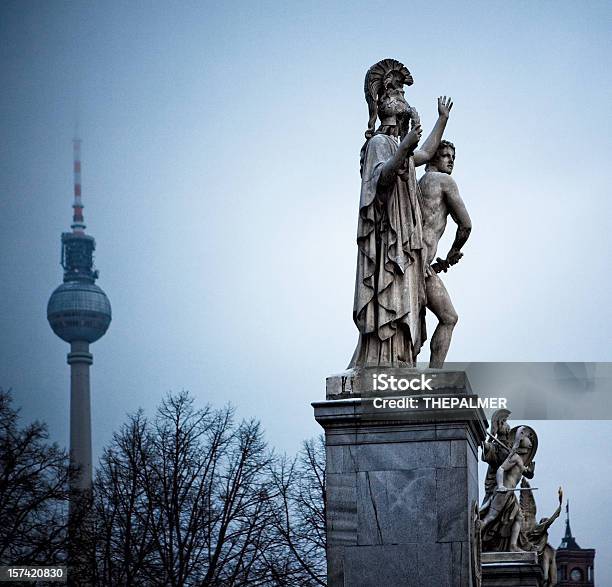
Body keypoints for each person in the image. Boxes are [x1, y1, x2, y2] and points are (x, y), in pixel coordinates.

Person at [350, 58, 453, 368]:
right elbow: (381, 179)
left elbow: (425, 152)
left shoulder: (399, 146)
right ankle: (380, 361)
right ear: (389, 104)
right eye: (401, 95)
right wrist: (403, 147)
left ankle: (399, 359)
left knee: (404, 299)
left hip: (403, 242)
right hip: (385, 242)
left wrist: (442, 120)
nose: (407, 101)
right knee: (389, 298)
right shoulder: (380, 143)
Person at [418, 140, 472, 367]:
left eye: (453, 157)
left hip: (416, 262)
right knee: (449, 317)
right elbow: (466, 225)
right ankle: (434, 375)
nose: (450, 161)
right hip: (420, 266)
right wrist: (454, 251)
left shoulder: (418, 184)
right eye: (445, 155)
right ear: (431, 157)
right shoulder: (444, 181)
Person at [480, 426, 537, 552]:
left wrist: (531, 472)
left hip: (510, 493)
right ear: (521, 439)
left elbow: (525, 472)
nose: (531, 442)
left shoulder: (519, 458)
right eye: (528, 438)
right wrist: (500, 486)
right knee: (491, 517)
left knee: (519, 518)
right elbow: (500, 469)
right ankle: (475, 533)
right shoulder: (514, 457)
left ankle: (512, 546)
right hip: (504, 492)